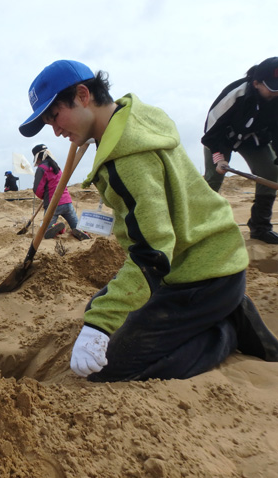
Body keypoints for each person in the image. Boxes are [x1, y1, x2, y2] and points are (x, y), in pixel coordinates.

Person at [19, 59, 278, 382]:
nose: (55, 130)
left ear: (83, 94)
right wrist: (99, 314)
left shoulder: (127, 159)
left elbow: (152, 253)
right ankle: (220, 308)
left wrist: (99, 325)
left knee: (110, 366)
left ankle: (225, 331)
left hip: (204, 274)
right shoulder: (134, 118)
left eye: (55, 116)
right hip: (209, 254)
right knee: (97, 306)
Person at [202, 57, 278, 244]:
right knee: (214, 177)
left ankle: (260, 227)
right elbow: (211, 132)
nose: (276, 92)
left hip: (254, 139)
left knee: (271, 172)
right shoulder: (236, 95)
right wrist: (219, 158)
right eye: (272, 87)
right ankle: (199, 226)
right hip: (221, 138)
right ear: (256, 83)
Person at [32, 143, 90, 240]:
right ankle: (80, 232)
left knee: (46, 231)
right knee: (77, 227)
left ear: (38, 157)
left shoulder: (41, 168)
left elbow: (37, 189)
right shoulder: (56, 166)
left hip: (53, 204)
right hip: (67, 202)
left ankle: (58, 228)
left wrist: (44, 197)